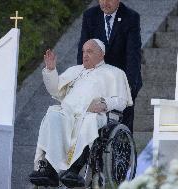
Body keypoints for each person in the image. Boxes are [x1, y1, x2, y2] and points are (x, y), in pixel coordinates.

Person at [29, 39, 133, 187]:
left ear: (101, 54)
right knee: (52, 115)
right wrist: (51, 70)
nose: (85, 55)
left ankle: (73, 170)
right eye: (84, 51)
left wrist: (104, 104)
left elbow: (122, 101)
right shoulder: (75, 70)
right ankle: (49, 170)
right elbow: (54, 90)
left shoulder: (114, 73)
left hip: (95, 114)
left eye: (90, 51)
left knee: (88, 122)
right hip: (68, 114)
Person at [77, 0, 142, 133]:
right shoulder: (90, 16)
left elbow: (133, 55)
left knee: (122, 128)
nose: (105, 2)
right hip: (97, 80)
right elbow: (82, 52)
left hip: (122, 80)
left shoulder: (131, 17)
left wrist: (128, 86)